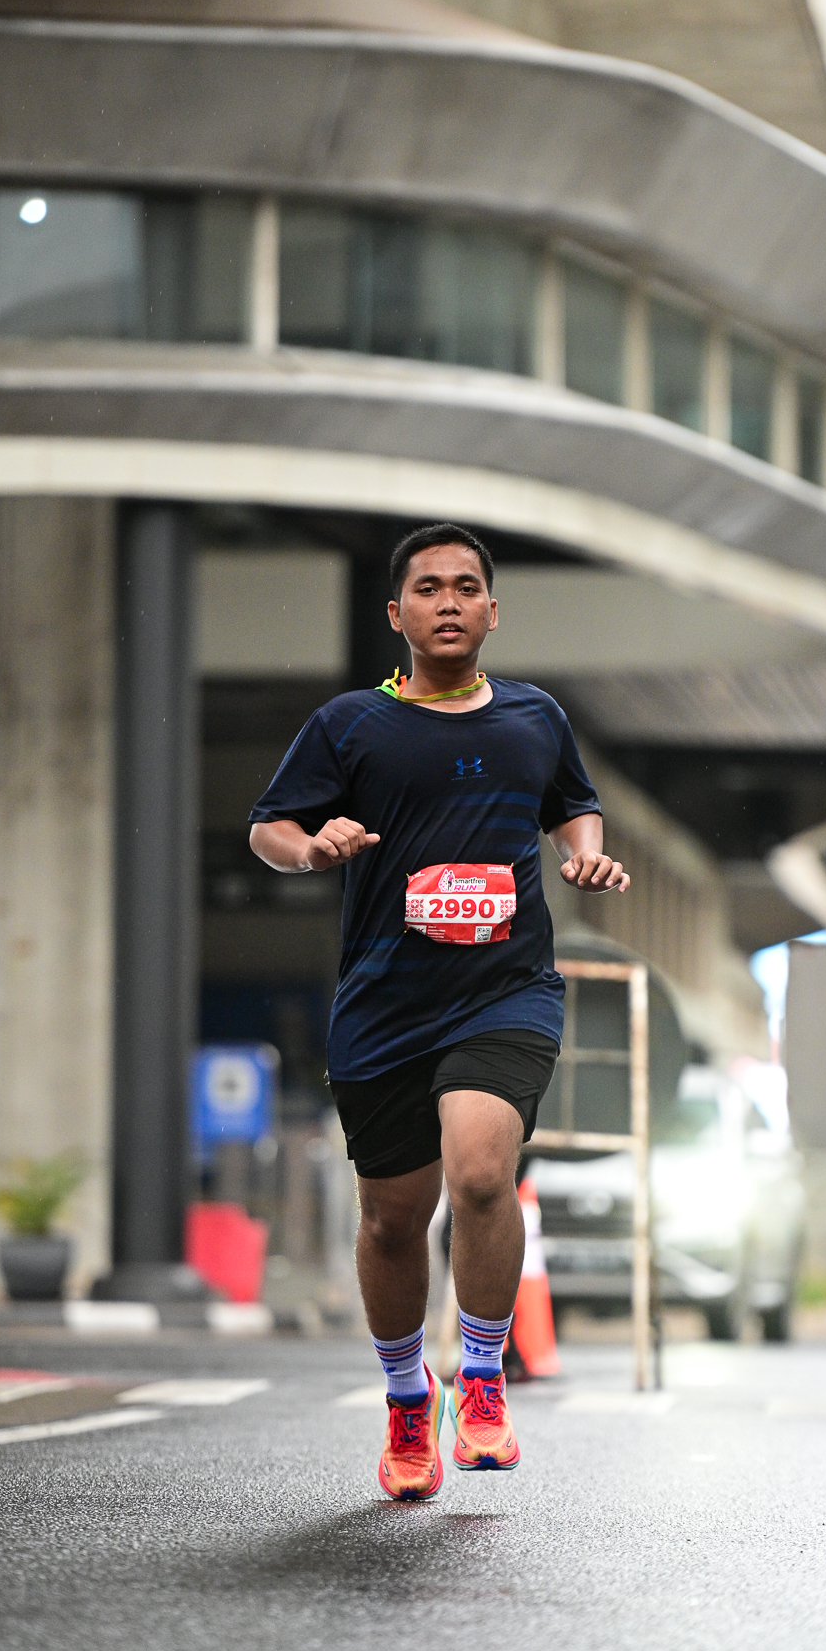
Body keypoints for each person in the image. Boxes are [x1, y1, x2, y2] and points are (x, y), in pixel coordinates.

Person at [249, 523, 628, 1501]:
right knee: (390, 1221)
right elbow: (268, 827)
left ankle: (483, 1379)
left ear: (492, 610)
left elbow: (572, 803)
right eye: (428, 588)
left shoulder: (535, 716)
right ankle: (406, 1399)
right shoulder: (350, 724)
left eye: (466, 587)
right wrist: (311, 847)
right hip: (385, 1000)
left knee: (481, 1173)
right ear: (397, 613)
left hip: (504, 990)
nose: (448, 602)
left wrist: (583, 852)